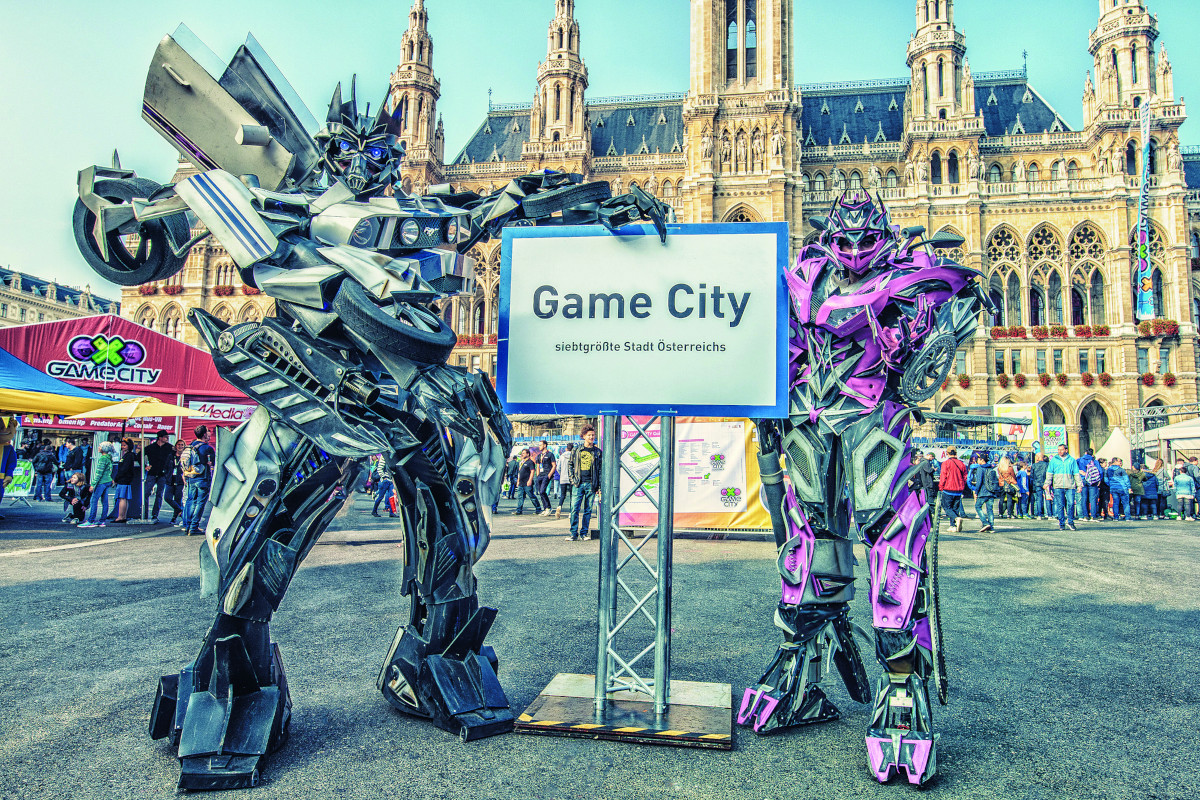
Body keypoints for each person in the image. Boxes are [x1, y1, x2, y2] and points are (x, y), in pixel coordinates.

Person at [568, 425, 602, 540]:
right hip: (578, 483)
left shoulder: (597, 452)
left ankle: (584, 533)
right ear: (583, 436)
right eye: (589, 435)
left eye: (593, 435)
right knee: (574, 509)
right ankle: (573, 533)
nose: (592, 437)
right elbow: (570, 465)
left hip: (591, 484)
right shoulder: (576, 450)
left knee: (588, 510)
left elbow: (600, 470)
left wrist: (599, 487)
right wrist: (572, 479)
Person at [182, 425, 216, 536]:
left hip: (191, 477)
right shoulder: (207, 448)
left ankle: (188, 526)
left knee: (191, 501)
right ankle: (194, 527)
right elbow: (214, 463)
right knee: (200, 503)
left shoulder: (191, 445)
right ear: (204, 434)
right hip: (203, 478)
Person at [143, 430, 179, 523]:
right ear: (160, 438)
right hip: (152, 473)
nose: (167, 438)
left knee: (159, 494)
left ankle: (155, 515)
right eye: (166, 437)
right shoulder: (151, 447)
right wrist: (145, 466)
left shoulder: (170, 447)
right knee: (146, 493)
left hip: (163, 474)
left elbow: (176, 456)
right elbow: (140, 455)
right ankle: (144, 514)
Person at [80, 442, 115, 528]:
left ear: (104, 448)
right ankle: (102, 520)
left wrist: (93, 484)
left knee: (93, 500)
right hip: (107, 481)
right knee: (105, 501)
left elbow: (99, 473)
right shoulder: (109, 458)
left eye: (100, 446)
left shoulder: (103, 458)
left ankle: (91, 520)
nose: (98, 447)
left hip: (101, 482)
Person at [1047, 443, 1081, 531]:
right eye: (1058, 450)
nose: (1060, 451)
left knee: (1071, 504)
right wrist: (1047, 483)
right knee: (1060, 505)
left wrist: (1079, 485)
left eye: (1061, 450)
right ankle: (1061, 523)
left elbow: (1076, 473)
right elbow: (1050, 472)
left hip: (1070, 486)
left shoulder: (1072, 460)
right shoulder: (1054, 460)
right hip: (1058, 486)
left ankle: (1070, 522)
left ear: (1066, 450)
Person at [111, 438, 141, 523]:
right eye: (122, 445)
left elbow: (124, 469)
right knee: (124, 498)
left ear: (129, 446)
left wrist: (116, 478)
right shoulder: (129, 455)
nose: (122, 447)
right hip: (126, 479)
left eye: (124, 445)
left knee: (122, 498)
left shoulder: (128, 456)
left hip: (123, 479)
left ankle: (120, 517)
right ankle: (123, 516)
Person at [513, 448, 540, 515]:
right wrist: (518, 481)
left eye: (523, 453)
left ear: (528, 454)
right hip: (521, 483)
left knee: (531, 496)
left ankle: (538, 508)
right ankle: (519, 510)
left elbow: (532, 471)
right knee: (520, 497)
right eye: (522, 453)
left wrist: (530, 480)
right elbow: (519, 473)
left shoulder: (530, 462)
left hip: (527, 483)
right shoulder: (522, 462)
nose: (522, 454)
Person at [975, 457, 999, 532]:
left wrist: (976, 492)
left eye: (978, 459)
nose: (977, 460)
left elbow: (979, 481)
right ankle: (991, 527)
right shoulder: (991, 468)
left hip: (983, 492)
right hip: (991, 491)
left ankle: (985, 523)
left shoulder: (980, 468)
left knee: (978, 506)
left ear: (982, 460)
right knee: (990, 509)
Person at [1077, 448, 1101, 521]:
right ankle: (1093, 516)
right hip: (1093, 481)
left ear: (1085, 452)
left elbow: (1074, 468)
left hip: (1083, 479)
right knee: (1093, 499)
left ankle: (1085, 516)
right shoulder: (1094, 461)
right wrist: (1099, 480)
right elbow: (1100, 471)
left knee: (1084, 498)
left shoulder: (1079, 460)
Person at [169, 439, 187, 527]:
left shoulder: (185, 456)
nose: (180, 446)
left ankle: (174, 517)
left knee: (177, 499)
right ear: (176, 446)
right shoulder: (171, 456)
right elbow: (167, 466)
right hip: (170, 479)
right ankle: (180, 511)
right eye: (179, 444)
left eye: (182, 445)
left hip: (180, 480)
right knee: (167, 497)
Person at [535, 440, 556, 516]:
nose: (539, 446)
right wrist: (537, 475)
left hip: (546, 474)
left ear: (544, 445)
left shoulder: (550, 454)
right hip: (540, 475)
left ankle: (548, 507)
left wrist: (549, 474)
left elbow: (554, 465)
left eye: (540, 445)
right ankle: (545, 508)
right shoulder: (539, 456)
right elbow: (538, 466)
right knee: (540, 492)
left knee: (542, 491)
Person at [1106, 457, 1130, 522]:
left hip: (1113, 488)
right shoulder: (1121, 470)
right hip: (1122, 488)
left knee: (1115, 503)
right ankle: (1127, 517)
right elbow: (1126, 479)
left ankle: (1116, 517)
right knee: (1125, 503)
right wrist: (1129, 487)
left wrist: (1110, 484)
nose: (1120, 463)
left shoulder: (1108, 470)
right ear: (1115, 461)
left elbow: (1106, 480)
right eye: (1119, 461)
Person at [554, 442, 575, 519]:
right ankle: (571, 512)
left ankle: (559, 506)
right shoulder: (574, 456)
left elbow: (558, 468)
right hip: (571, 479)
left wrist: (561, 474)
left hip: (563, 478)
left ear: (566, 448)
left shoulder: (562, 456)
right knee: (572, 496)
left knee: (563, 495)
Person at [1031, 453, 1049, 519]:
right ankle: (1048, 514)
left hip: (1037, 483)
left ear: (1038, 457)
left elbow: (1032, 476)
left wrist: (1033, 485)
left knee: (1039, 499)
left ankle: (1039, 514)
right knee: (1047, 498)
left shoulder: (1034, 465)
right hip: (1046, 483)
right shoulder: (1047, 464)